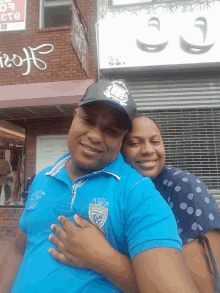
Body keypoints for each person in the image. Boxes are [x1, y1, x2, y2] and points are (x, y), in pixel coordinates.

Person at [0, 81, 200, 293]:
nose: (95, 136)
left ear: (123, 138)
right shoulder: (43, 178)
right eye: (87, 120)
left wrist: (103, 258)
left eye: (111, 131)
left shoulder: (138, 194)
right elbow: (18, 249)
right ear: (74, 116)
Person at [48, 114, 220, 293]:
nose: (148, 150)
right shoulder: (117, 188)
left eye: (155, 141)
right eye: (135, 143)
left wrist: (101, 258)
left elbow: (202, 288)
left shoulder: (184, 188)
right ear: (119, 151)